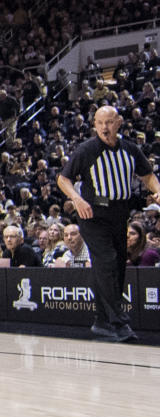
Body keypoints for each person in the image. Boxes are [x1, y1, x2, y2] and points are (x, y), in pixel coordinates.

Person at [58, 106, 160, 342]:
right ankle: (119, 322)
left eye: (109, 122)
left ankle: (102, 321)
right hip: (92, 213)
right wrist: (76, 197)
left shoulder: (131, 149)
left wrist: (157, 191)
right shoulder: (87, 149)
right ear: (94, 124)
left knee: (115, 267)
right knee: (107, 261)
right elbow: (63, 179)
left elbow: (147, 176)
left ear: (119, 123)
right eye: (100, 122)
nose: (104, 127)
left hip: (119, 213)